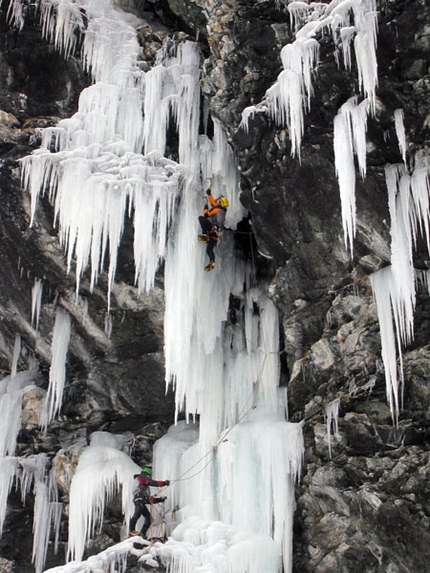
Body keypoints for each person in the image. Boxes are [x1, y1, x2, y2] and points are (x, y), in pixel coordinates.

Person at [128, 466, 170, 539]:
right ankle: (131, 531)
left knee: (149, 518)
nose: (149, 477)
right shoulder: (142, 476)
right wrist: (164, 483)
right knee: (137, 513)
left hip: (142, 499)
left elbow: (149, 500)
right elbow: (151, 482)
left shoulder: (144, 486)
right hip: (139, 498)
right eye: (149, 476)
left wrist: (160, 499)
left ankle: (142, 533)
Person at [198, 187, 229, 272]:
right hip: (215, 235)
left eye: (219, 201)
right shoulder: (221, 210)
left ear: (220, 203)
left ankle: (204, 234)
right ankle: (212, 262)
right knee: (209, 250)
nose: (217, 201)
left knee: (201, 218)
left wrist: (205, 207)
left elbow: (207, 214)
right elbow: (213, 203)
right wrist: (209, 194)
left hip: (212, 229)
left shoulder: (217, 209)